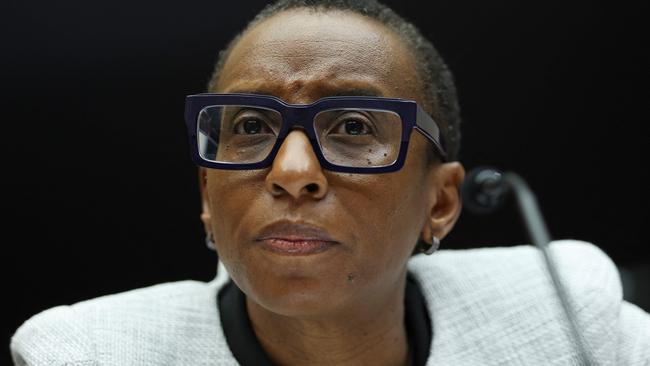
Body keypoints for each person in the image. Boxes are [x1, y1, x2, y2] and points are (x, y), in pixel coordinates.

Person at [10, 0, 650, 365]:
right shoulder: (94, 353)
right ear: (208, 195)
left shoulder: (563, 310)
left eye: (350, 124)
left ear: (442, 202)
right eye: (252, 125)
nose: (292, 174)